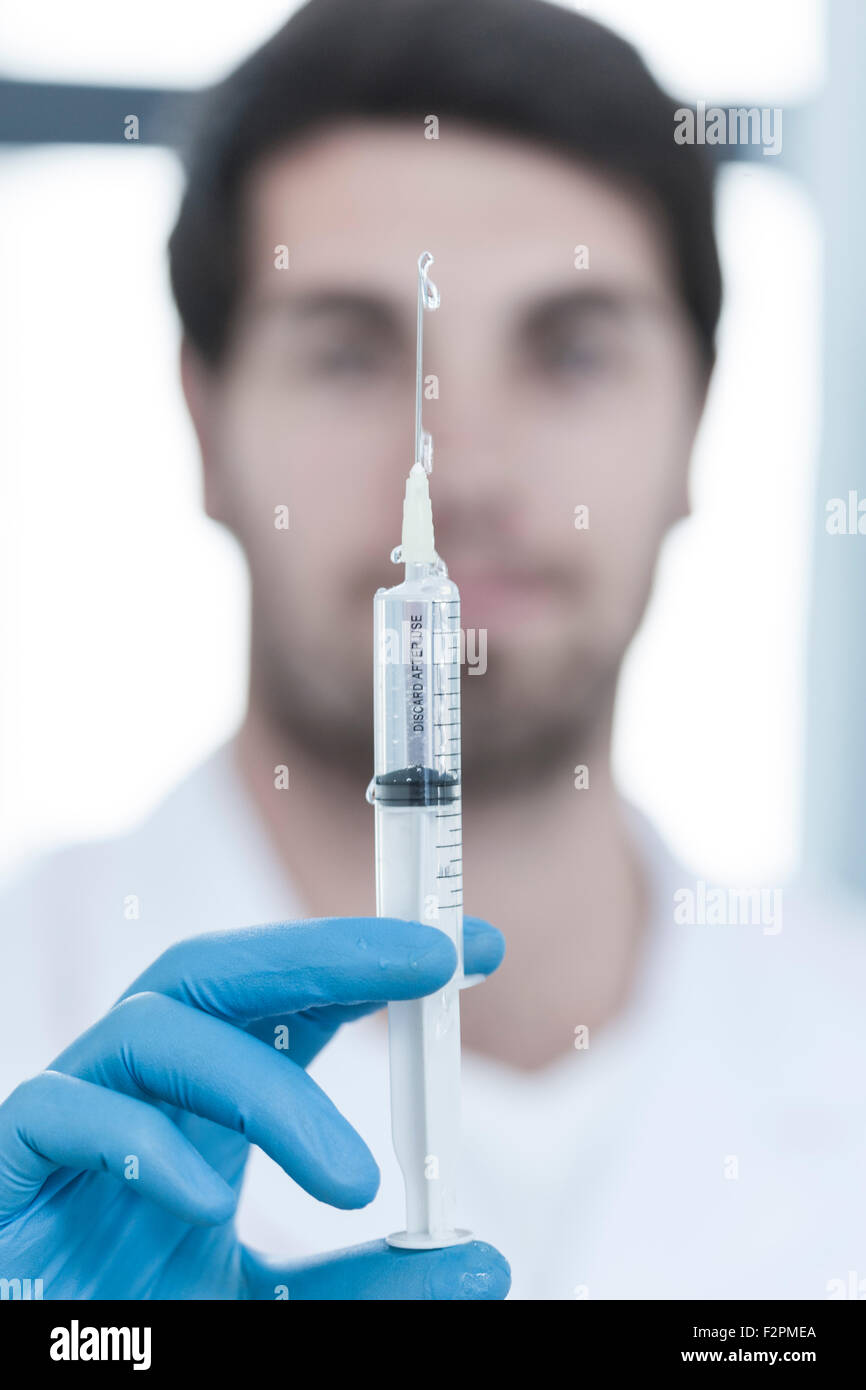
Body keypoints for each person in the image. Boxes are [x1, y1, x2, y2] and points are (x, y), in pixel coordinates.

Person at [2, 0, 865, 1301]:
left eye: (571, 350)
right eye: (349, 353)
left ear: (697, 419)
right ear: (203, 420)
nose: (459, 470)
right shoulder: (36, 1085)